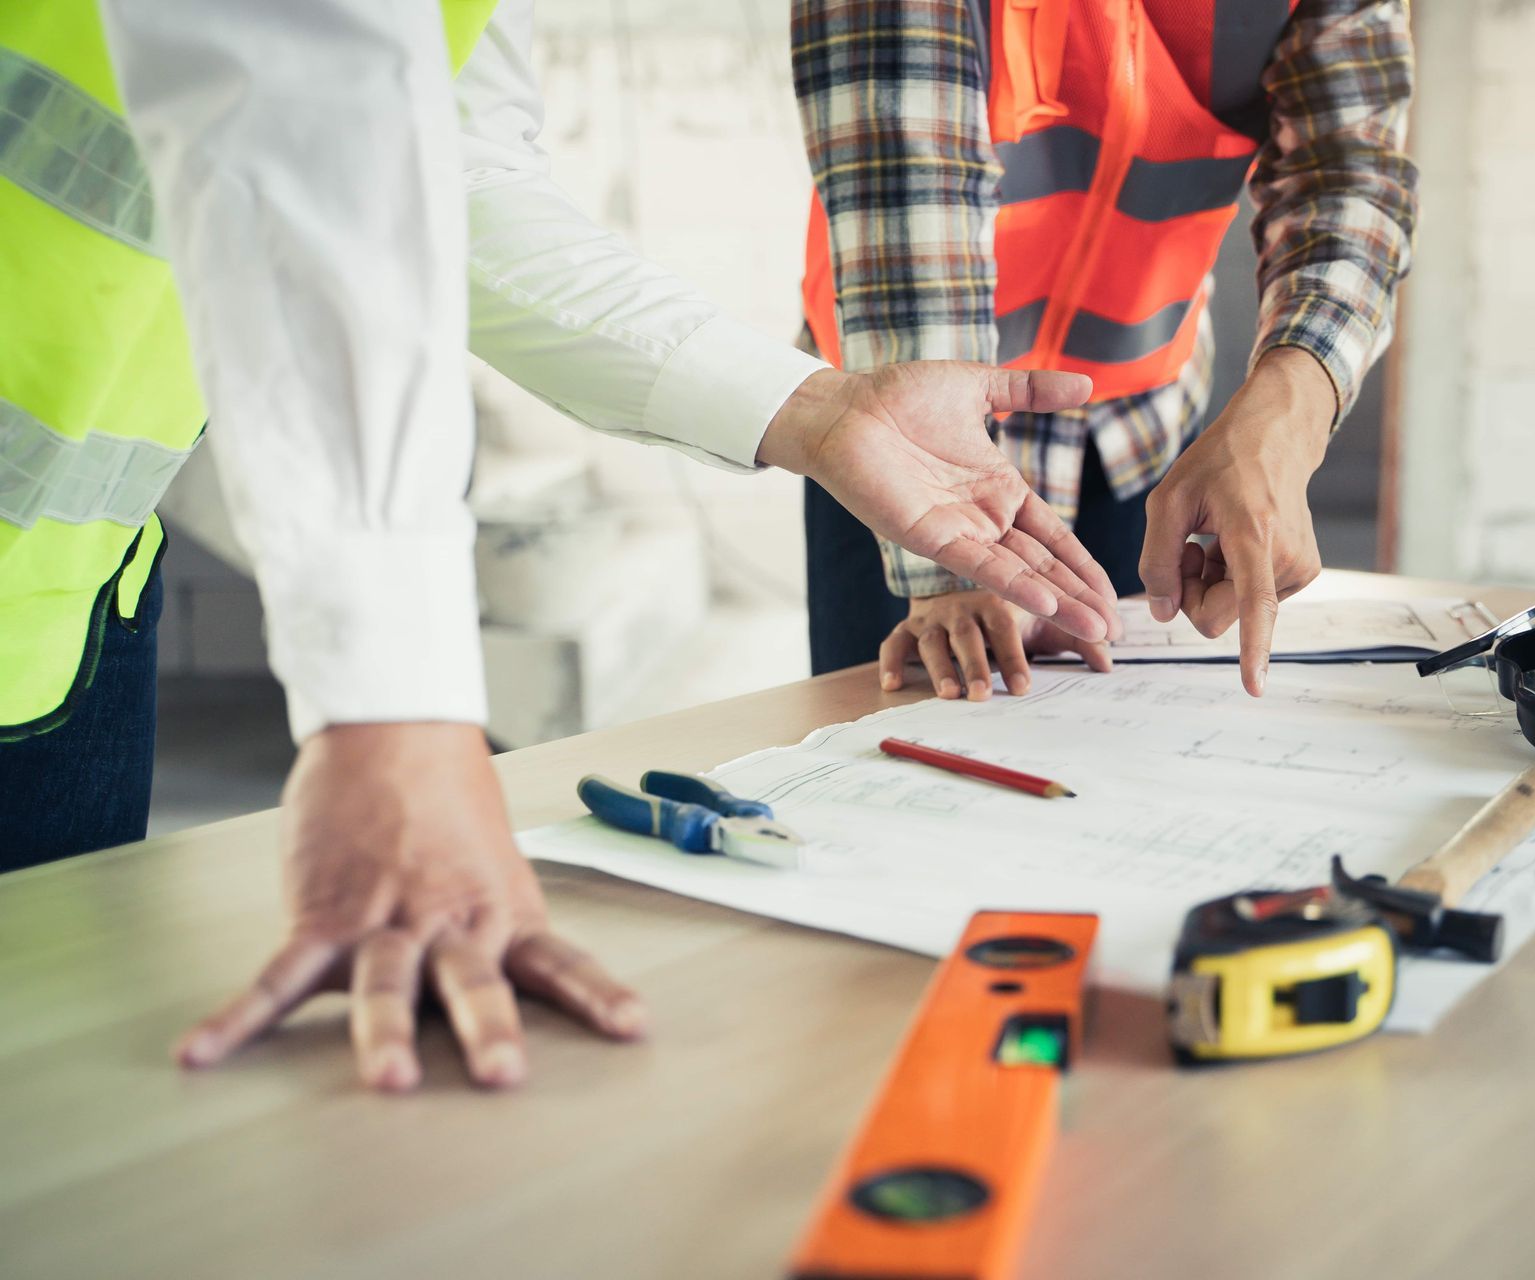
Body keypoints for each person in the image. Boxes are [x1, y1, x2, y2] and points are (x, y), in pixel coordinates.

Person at [0, 0, 1117, 1091]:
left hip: (67, 616)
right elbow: (295, 100)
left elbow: (455, 183)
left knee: (56, 1104)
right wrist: (391, 707)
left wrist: (816, 408)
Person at [795, 0, 1416, 697]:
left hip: (1141, 424)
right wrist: (953, 558)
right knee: (888, 755)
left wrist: (1288, 419)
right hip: (900, 425)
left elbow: (1348, 178)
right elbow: (902, 167)